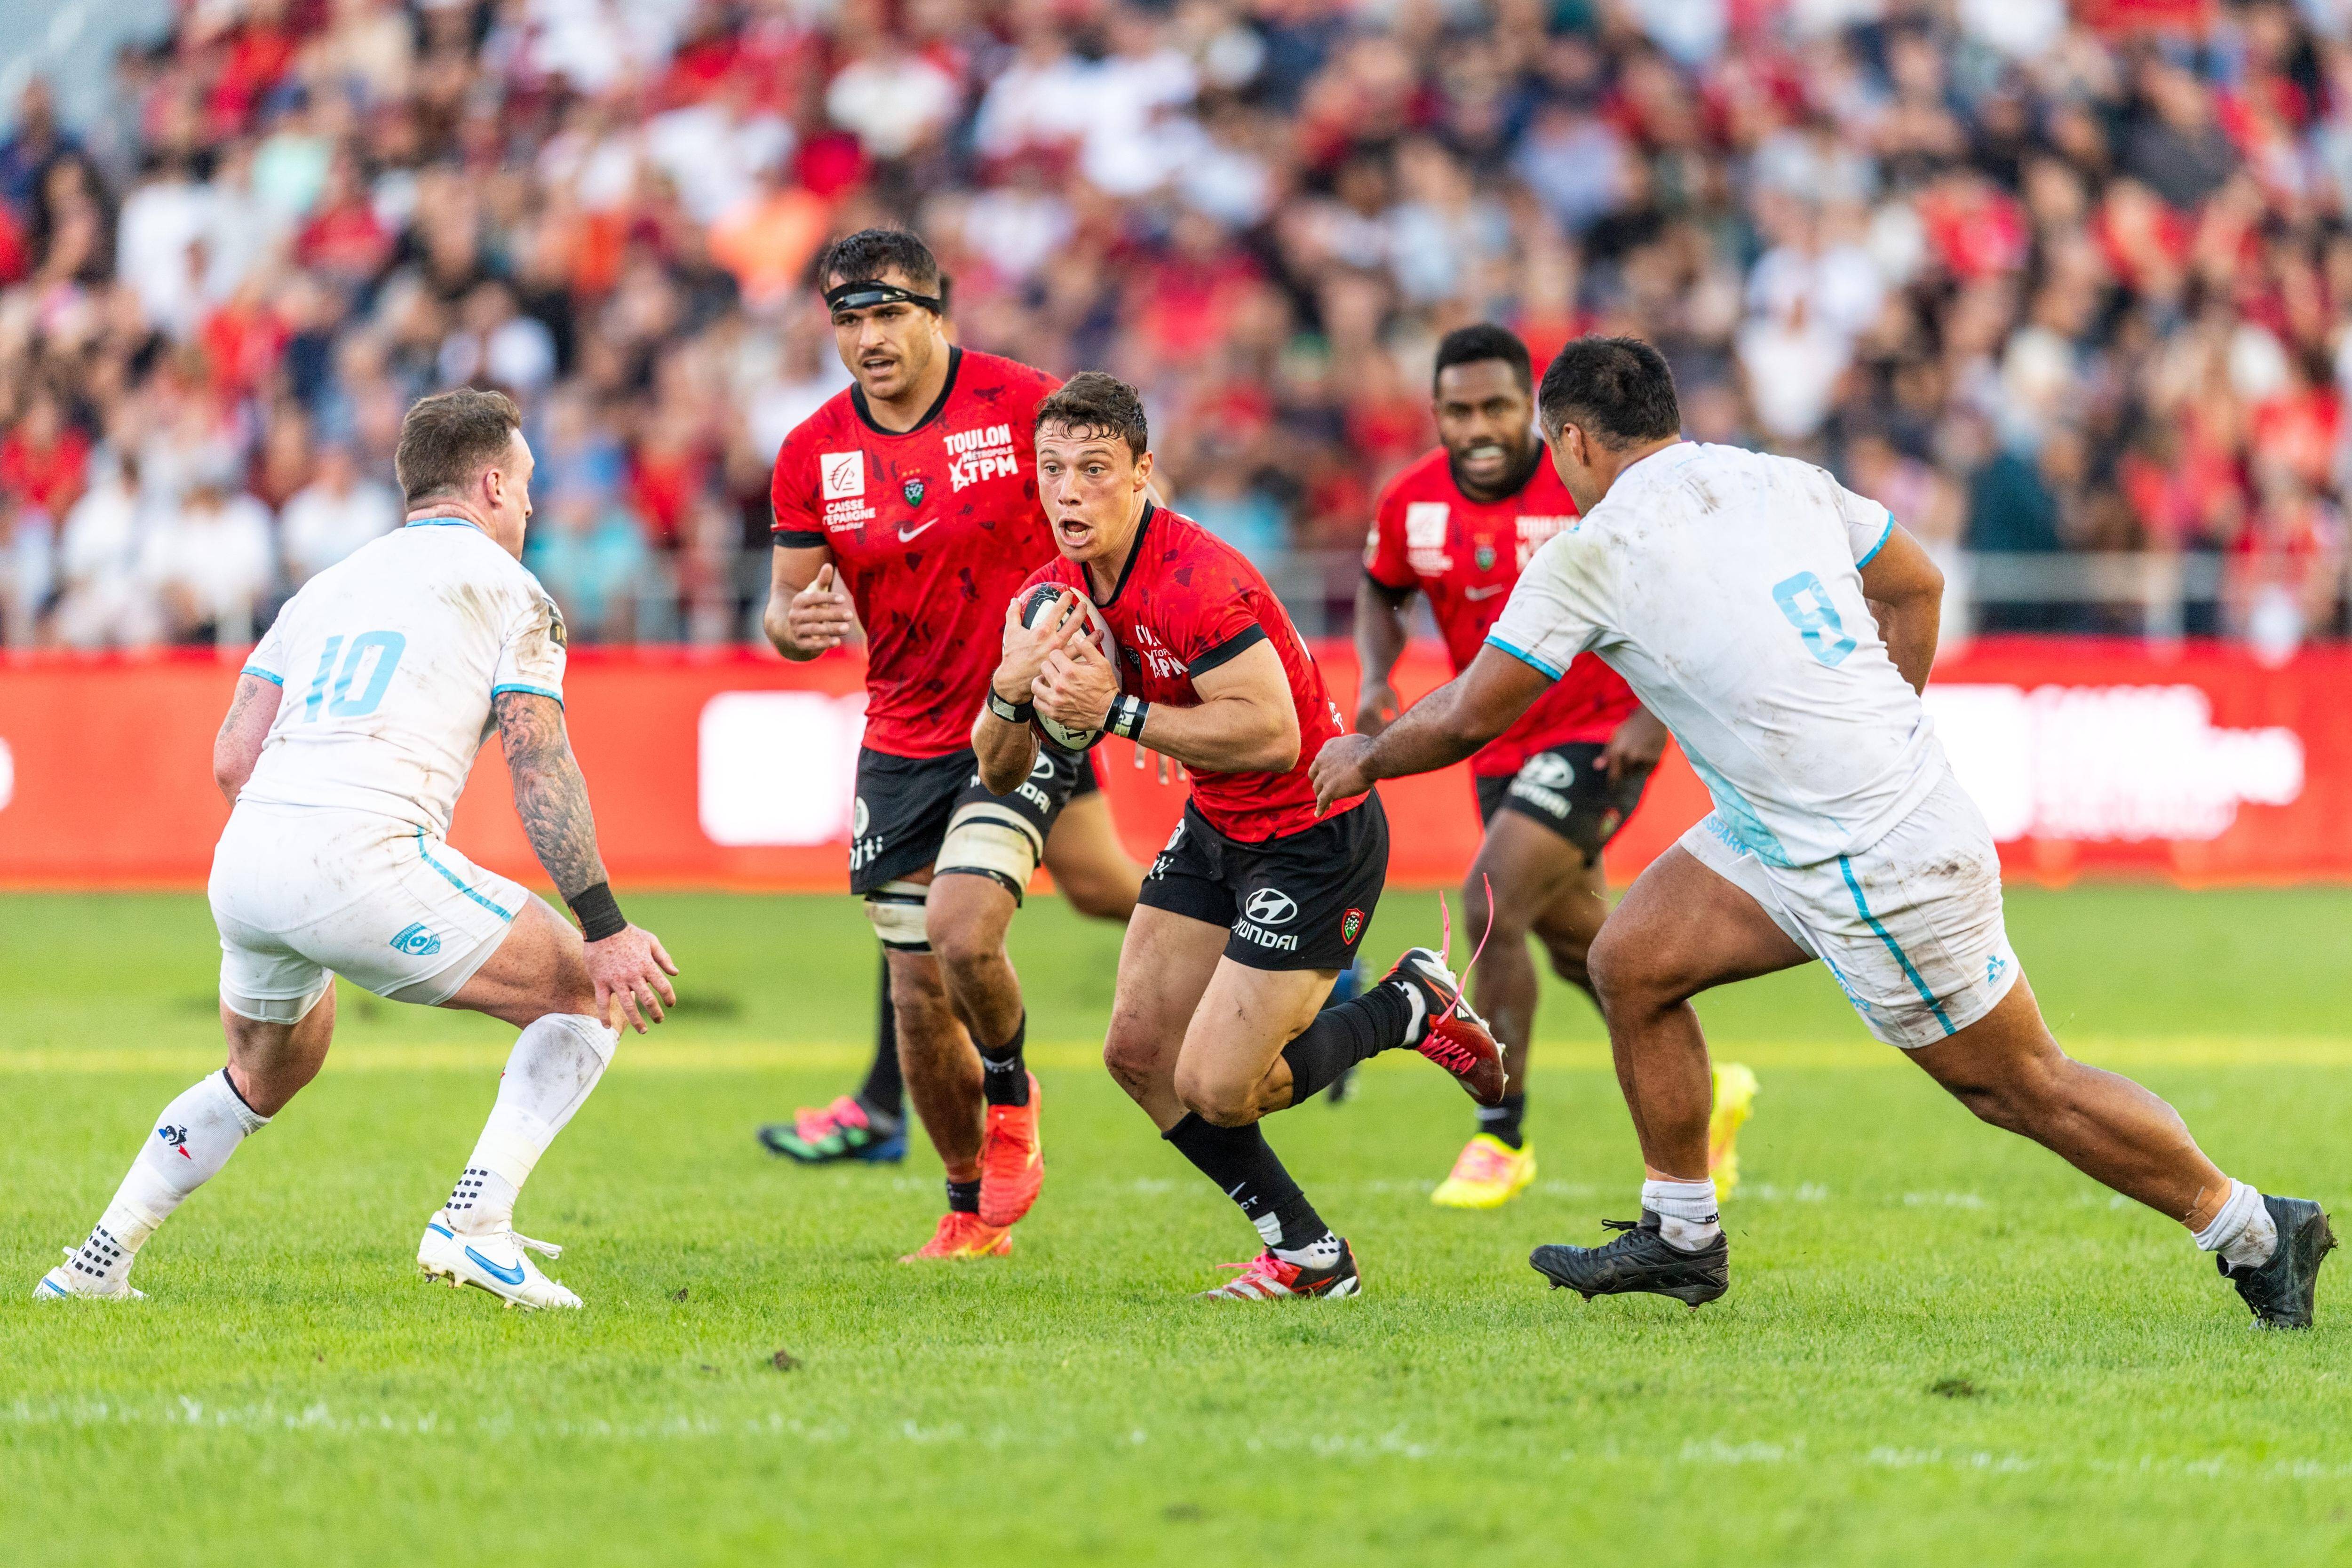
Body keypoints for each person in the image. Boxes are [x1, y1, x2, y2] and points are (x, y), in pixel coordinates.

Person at [1311, 337, 2334, 1328]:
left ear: (1572, 443)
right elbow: (1917, 585)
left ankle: (2252, 1227)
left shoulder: (1596, 550)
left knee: (2021, 1087)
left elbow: (1473, 711)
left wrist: (1367, 754)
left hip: (1871, 854)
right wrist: (1883, 718)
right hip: (1795, 826)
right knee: (1631, 961)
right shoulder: (1780, 479)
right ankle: (1680, 1230)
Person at [38, 389, 677, 1311]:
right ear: (493, 483)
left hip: (249, 856)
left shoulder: (326, 585)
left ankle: (94, 1262)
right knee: (584, 987)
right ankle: (475, 1224)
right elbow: (541, 765)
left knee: (265, 1071)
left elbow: (232, 756)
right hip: (360, 855)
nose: (532, 507)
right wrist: (605, 924)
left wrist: (299, 883)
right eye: (528, 485)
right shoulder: (513, 593)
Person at [981, 372, 1504, 1300]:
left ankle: (1404, 1007)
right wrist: (1008, 690)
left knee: (1222, 1087)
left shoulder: (1198, 580)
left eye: (1094, 468)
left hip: (1315, 832)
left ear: (1144, 472)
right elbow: (997, 769)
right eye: (1051, 467)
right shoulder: (1047, 594)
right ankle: (1308, 1253)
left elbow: (1275, 735)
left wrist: (1121, 712)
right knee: (1138, 1056)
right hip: (1219, 823)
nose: (1067, 489)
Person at [1357, 322, 1758, 1211]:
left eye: (1499, 405)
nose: (1480, 426)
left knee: (1489, 896)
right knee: (1594, 951)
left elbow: (1682, 592)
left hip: (1597, 734)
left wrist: (1653, 717)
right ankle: (1715, 1085)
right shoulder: (1411, 503)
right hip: (1495, 744)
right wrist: (1380, 674)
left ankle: (1501, 1135)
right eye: (1459, 410)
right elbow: (1382, 588)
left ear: (1536, 414)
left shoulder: (1587, 487)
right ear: (1435, 414)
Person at [763, 228, 1077, 1259]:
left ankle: (1012, 1095)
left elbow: (1122, 525)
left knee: (962, 931)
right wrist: (792, 628)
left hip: (1018, 714)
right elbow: (784, 606)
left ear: (939, 313)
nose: (869, 338)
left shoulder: (1026, 402)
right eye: (849, 321)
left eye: (890, 313)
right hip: (899, 730)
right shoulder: (812, 451)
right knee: (912, 987)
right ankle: (965, 1209)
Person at [758, 760, 1142, 1164]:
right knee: (1091, 887)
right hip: (949, 720)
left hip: (1012, 719)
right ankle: (886, 1106)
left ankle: (959, 1104)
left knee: (944, 906)